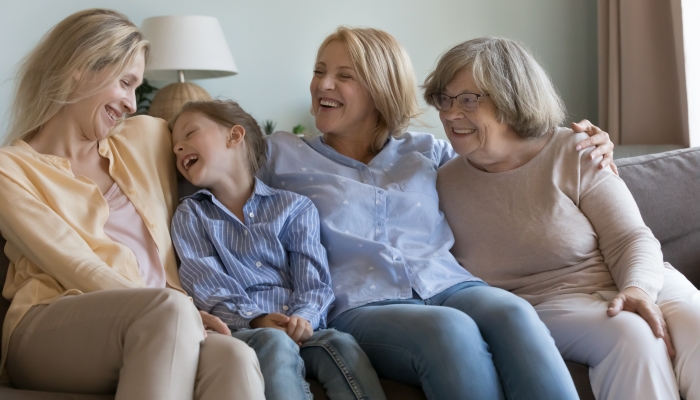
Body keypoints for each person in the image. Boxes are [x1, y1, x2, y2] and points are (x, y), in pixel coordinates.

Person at [258, 26, 616, 400]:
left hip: (448, 284)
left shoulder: (429, 152)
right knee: (449, 330)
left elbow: (512, 156)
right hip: (360, 304)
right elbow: (207, 176)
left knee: (513, 312)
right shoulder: (279, 155)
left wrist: (576, 142)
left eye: (344, 76)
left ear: (381, 88)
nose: (323, 84)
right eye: (319, 72)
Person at [0, 9, 264, 400]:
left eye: (136, 87)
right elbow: (72, 262)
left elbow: (219, 147)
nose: (130, 103)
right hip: (48, 325)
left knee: (234, 356)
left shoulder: (147, 136)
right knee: (169, 310)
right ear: (80, 66)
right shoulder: (10, 168)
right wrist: (177, 311)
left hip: (164, 322)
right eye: (125, 83)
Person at [432, 37, 700, 400]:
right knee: (631, 336)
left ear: (512, 97)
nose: (449, 114)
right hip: (547, 305)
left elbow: (630, 238)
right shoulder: (439, 181)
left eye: (468, 100)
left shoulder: (575, 151)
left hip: (640, 280)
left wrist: (637, 289)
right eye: (444, 99)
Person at [169, 100, 387, 400]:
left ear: (234, 136)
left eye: (189, 134)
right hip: (242, 332)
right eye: (174, 146)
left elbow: (314, 280)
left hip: (302, 330)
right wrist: (256, 318)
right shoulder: (192, 215)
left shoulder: (294, 208)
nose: (178, 148)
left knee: (341, 344)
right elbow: (208, 286)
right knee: (275, 342)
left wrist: (304, 318)